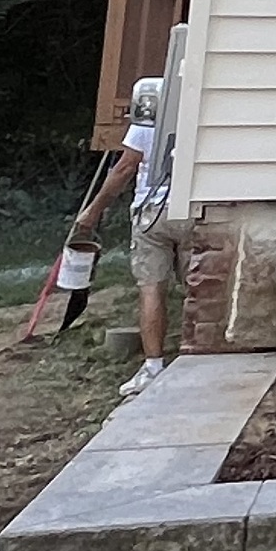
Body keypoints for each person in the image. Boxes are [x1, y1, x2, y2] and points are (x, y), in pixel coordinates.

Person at [71, 76, 189, 400]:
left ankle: (153, 367)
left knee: (152, 288)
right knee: (199, 284)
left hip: (151, 213)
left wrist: (93, 211)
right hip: (192, 208)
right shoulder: (193, 114)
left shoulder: (145, 125)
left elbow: (124, 168)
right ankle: (201, 353)